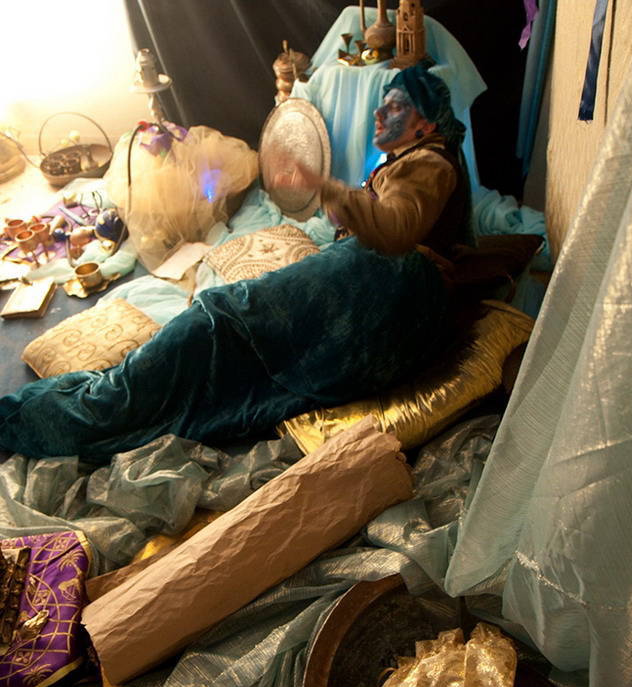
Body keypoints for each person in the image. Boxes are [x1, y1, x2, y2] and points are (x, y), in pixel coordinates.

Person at [0, 63, 472, 463]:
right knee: (216, 334)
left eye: (395, 107)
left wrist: (327, 188)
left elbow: (397, 229)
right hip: (378, 282)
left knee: (217, 324)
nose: (378, 113)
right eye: (382, 104)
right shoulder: (413, 160)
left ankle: (79, 411)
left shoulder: (429, 165)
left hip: (390, 286)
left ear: (426, 125)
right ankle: (103, 399)